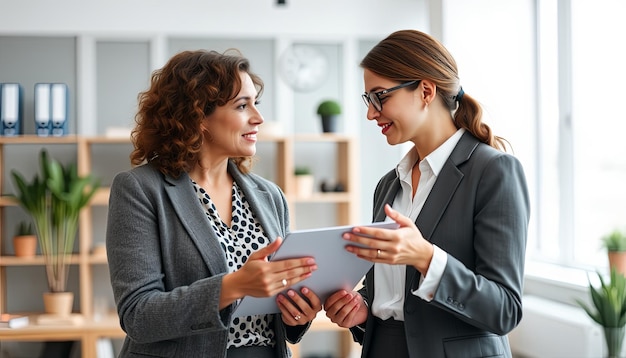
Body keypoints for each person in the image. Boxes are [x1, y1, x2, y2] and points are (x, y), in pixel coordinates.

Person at [322, 29, 530, 358]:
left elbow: (504, 309)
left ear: (426, 91)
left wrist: (426, 258)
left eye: (380, 97)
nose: (371, 113)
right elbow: (393, 298)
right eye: (368, 100)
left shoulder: (493, 171)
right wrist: (362, 309)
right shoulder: (389, 184)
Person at [106, 49, 322, 358]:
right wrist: (232, 286)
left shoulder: (270, 195)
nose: (258, 118)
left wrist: (298, 314)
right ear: (197, 116)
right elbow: (138, 315)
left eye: (255, 104)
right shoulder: (140, 189)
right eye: (242, 105)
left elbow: (280, 317)